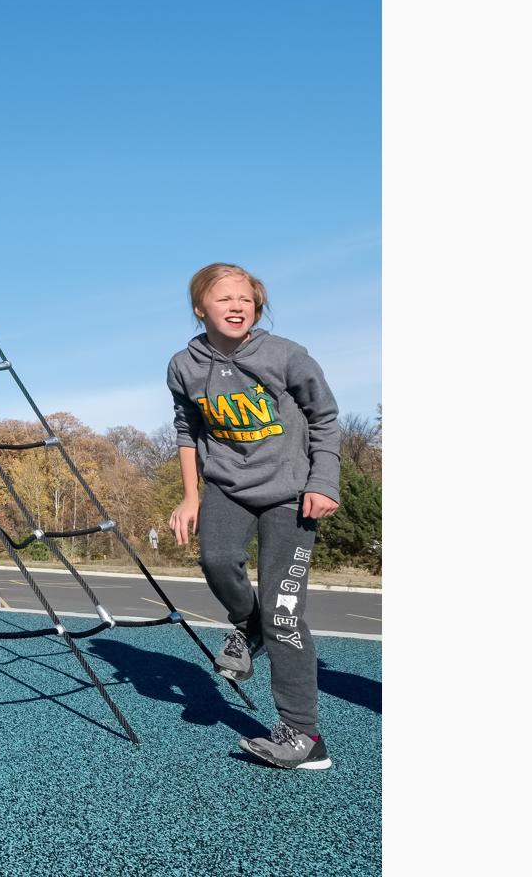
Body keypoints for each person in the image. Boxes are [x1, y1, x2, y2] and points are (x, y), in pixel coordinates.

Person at [165, 263, 341, 771]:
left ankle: (303, 735)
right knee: (217, 559)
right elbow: (186, 431)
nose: (237, 306)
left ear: (257, 307)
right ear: (201, 308)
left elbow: (325, 419)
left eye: (246, 299)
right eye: (224, 299)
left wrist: (322, 482)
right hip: (227, 488)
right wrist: (190, 496)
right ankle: (249, 625)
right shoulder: (184, 365)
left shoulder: (286, 355)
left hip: (291, 494)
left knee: (283, 614)